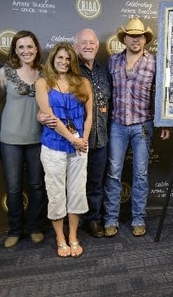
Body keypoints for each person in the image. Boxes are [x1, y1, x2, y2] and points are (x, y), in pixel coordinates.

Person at [103, 18, 170, 238]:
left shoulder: (154, 62)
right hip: (117, 125)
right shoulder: (113, 61)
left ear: (145, 39)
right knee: (113, 173)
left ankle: (138, 219)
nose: (135, 39)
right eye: (131, 35)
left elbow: (162, 93)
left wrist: (164, 122)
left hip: (143, 125)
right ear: (124, 38)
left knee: (141, 174)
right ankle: (111, 219)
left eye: (139, 35)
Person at [35, 42, 93, 258]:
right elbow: (48, 116)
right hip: (54, 146)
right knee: (56, 192)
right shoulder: (43, 83)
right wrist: (72, 139)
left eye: (68, 59)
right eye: (60, 58)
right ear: (53, 59)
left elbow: (89, 116)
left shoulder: (83, 82)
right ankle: (60, 237)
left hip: (80, 146)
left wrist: (84, 140)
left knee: (77, 191)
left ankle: (73, 235)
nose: (64, 62)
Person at [0, 30, 45, 248]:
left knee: (36, 186)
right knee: (14, 187)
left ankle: (35, 227)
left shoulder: (46, 73)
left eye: (30, 47)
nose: (26, 51)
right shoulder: (4, 73)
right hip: (9, 139)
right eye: (21, 47)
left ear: (36, 49)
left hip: (38, 138)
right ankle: (15, 230)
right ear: (15, 50)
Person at [73, 28, 112, 238]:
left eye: (92, 43)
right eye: (83, 43)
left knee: (96, 183)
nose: (88, 46)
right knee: (74, 183)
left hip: (101, 140)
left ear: (97, 46)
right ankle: (74, 223)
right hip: (75, 141)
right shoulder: (69, 71)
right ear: (76, 47)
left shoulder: (103, 71)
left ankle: (93, 220)